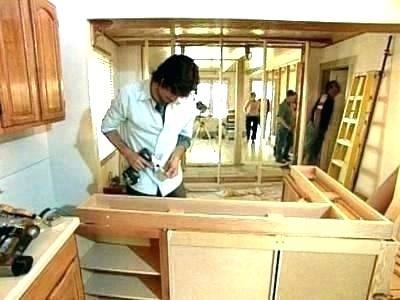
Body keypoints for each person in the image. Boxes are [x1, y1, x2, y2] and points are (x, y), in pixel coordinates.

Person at [101, 54, 199, 197]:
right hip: (141, 184)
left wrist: (177, 156)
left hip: (172, 182)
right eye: (172, 92)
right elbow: (108, 127)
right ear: (162, 80)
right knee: (142, 220)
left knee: (177, 219)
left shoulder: (187, 103)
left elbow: (184, 136)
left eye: (179, 95)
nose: (174, 99)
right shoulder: (129, 95)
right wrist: (128, 154)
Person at [304, 80, 340, 165]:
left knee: (315, 149)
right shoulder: (324, 97)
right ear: (330, 88)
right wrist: (316, 127)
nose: (337, 90)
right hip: (315, 127)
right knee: (308, 147)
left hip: (320, 128)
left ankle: (309, 166)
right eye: (335, 88)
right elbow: (317, 111)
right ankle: (299, 165)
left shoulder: (332, 100)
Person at [275, 90, 297, 163]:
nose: (294, 99)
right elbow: (279, 118)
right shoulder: (283, 105)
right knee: (281, 143)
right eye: (293, 98)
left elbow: (292, 115)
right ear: (289, 97)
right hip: (283, 127)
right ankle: (279, 158)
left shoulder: (290, 105)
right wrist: (287, 126)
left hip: (289, 128)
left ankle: (285, 155)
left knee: (289, 142)